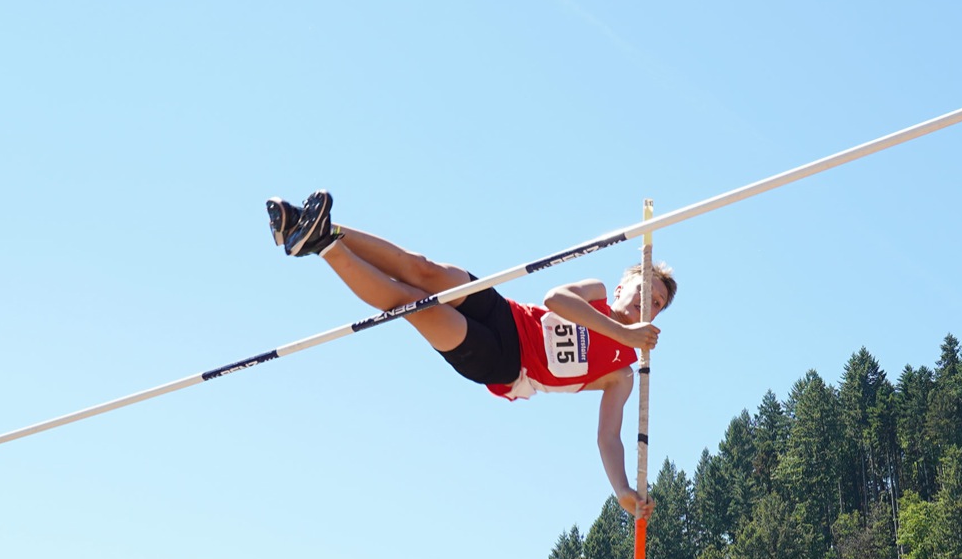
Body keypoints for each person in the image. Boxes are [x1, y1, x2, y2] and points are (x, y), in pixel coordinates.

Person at [269, 190, 675, 519]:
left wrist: (621, 488)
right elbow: (555, 299)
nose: (648, 303)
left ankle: (324, 246)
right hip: (505, 313)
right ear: (622, 286)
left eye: (657, 304)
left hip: (505, 363)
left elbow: (608, 437)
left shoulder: (622, 373)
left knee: (415, 305)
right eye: (645, 290)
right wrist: (622, 331)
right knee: (424, 269)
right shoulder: (597, 292)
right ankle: (315, 226)